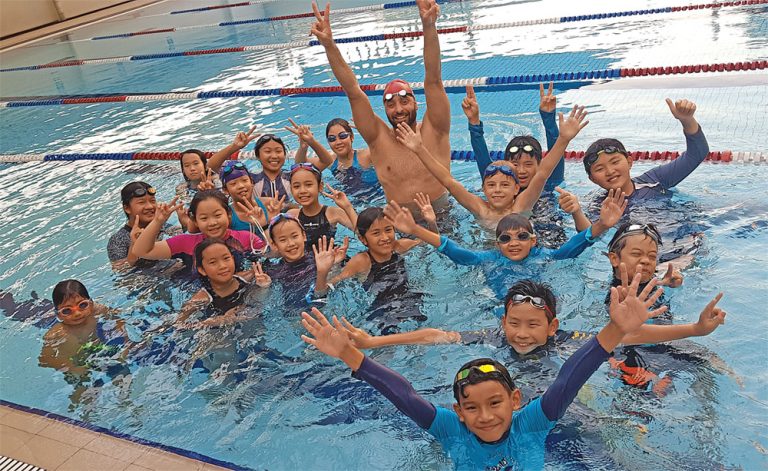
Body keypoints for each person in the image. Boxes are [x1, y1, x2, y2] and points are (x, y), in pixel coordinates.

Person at [299, 274, 669, 470]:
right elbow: (404, 395)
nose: (486, 417)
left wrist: (615, 331)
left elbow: (570, 376)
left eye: (495, 403)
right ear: (458, 411)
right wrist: (350, 354)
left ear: (516, 400)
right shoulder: (450, 429)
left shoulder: (532, 422)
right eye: (472, 408)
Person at [337, 278, 726, 358]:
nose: (521, 335)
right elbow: (432, 335)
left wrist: (695, 329)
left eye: (532, 325)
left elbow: (626, 337)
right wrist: (373, 343)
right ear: (503, 321)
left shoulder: (565, 339)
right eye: (514, 324)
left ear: (552, 326)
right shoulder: (491, 337)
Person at [310, 0, 452, 208]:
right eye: (391, 104)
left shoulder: (436, 129)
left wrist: (429, 26)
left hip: (444, 218)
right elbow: (354, 92)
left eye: (404, 101)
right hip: (398, 225)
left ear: (417, 104)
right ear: (384, 110)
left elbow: (433, 79)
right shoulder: (378, 139)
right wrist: (330, 46)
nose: (399, 109)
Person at [381, 190, 625, 299]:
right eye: (505, 239)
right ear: (497, 244)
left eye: (521, 237)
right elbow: (452, 249)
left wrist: (602, 225)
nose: (514, 243)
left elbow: (575, 246)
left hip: (537, 308)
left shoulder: (545, 255)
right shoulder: (488, 259)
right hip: (500, 311)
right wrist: (415, 230)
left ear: (533, 240)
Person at [394, 103, 587, 228]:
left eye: (504, 185)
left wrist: (563, 140)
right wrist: (419, 149)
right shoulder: (479, 208)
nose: (497, 190)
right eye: (492, 185)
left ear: (516, 189)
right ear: (483, 188)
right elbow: (448, 181)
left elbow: (543, 173)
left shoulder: (521, 205)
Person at [576, 98, 708, 230]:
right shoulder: (598, 208)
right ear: (592, 179)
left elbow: (696, 154)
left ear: (629, 162)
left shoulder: (655, 180)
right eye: (599, 169)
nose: (610, 171)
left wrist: (687, 120)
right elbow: (588, 237)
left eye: (615, 162)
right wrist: (577, 213)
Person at [464, 82, 569, 246]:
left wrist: (549, 119)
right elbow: (482, 157)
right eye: (515, 163)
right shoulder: (501, 186)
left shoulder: (549, 183)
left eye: (528, 164)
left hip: (548, 238)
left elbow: (557, 152)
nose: (521, 171)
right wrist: (474, 123)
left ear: (540, 166)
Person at [314, 195, 436, 333]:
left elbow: (433, 243)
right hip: (382, 312)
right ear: (363, 239)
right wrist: (325, 270)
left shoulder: (400, 246)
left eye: (388, 230)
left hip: (412, 300)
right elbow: (323, 291)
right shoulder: (361, 261)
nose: (384, 238)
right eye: (376, 233)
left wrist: (431, 222)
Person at [39, 280, 128, 406]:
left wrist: (125, 340)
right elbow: (45, 359)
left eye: (82, 305)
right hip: (74, 362)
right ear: (58, 314)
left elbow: (118, 318)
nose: (77, 313)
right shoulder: (56, 334)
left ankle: (126, 401)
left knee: (122, 372)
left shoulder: (97, 311)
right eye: (67, 311)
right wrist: (70, 367)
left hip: (97, 350)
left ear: (90, 303)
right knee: (83, 391)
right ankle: (84, 412)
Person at [133, 190, 266, 273]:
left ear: (228, 214)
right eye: (204, 218)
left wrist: (263, 226)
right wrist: (157, 221)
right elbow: (141, 251)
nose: (212, 222)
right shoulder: (185, 242)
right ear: (195, 220)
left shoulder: (246, 238)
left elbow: (274, 254)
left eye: (217, 215)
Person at [174, 238, 272, 329]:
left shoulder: (249, 277)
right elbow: (178, 325)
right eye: (213, 262)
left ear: (233, 259)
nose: (222, 266)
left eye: (226, 258)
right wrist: (212, 322)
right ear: (202, 270)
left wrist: (264, 287)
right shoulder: (201, 299)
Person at [263, 214, 348, 306]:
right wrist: (264, 288)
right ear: (275, 245)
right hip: (291, 316)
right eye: (283, 240)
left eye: (295, 236)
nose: (291, 243)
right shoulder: (273, 272)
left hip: (321, 308)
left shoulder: (319, 259)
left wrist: (335, 265)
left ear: (304, 236)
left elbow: (325, 294)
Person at [289, 118, 381, 197]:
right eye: (332, 139)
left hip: (378, 198)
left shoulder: (366, 156)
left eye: (342, 136)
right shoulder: (330, 161)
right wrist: (303, 146)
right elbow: (301, 167)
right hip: (351, 202)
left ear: (352, 137)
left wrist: (369, 133)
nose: (338, 142)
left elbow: (387, 148)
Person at [286, 163, 357, 250]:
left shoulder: (334, 213)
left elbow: (364, 234)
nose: (302, 191)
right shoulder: (291, 216)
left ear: (320, 186)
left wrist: (347, 207)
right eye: (296, 186)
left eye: (308, 185)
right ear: (291, 190)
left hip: (332, 260)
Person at [107, 181, 176, 269]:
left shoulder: (165, 227)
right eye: (141, 202)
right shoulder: (118, 239)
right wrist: (134, 244)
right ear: (127, 208)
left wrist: (186, 225)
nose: (150, 206)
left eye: (152, 201)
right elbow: (121, 271)